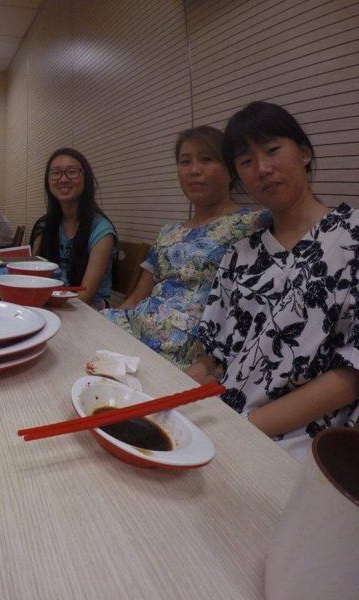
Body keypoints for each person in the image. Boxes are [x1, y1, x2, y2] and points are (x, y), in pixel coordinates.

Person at [186, 101, 359, 461]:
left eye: (273, 150)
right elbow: (211, 358)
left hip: (309, 439)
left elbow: (351, 374)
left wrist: (243, 430)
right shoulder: (239, 254)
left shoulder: (352, 236)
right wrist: (171, 402)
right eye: (247, 161)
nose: (263, 169)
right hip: (224, 417)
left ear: (305, 153)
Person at [102, 126, 266, 369]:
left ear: (231, 171)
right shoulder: (168, 232)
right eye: (185, 162)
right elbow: (137, 298)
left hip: (188, 352)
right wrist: (107, 325)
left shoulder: (253, 225)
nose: (194, 170)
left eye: (207, 159)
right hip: (138, 331)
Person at [32, 148, 117, 309]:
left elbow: (85, 295)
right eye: (55, 173)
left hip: (89, 310)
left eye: (71, 172)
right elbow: (34, 276)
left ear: (86, 178)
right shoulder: (44, 226)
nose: (63, 179)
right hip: (49, 304)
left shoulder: (101, 231)